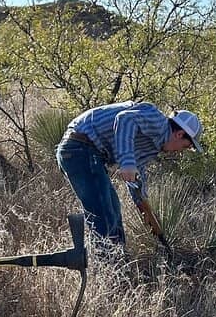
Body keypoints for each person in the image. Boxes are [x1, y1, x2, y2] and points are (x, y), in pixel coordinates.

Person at [56, 102, 204, 257]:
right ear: (179, 134)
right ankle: (108, 270)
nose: (180, 151)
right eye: (185, 146)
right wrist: (127, 162)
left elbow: (137, 172)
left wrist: (142, 202)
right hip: (79, 147)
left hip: (88, 153)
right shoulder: (157, 121)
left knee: (113, 211)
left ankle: (116, 263)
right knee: (105, 216)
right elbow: (124, 119)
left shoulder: (153, 146)